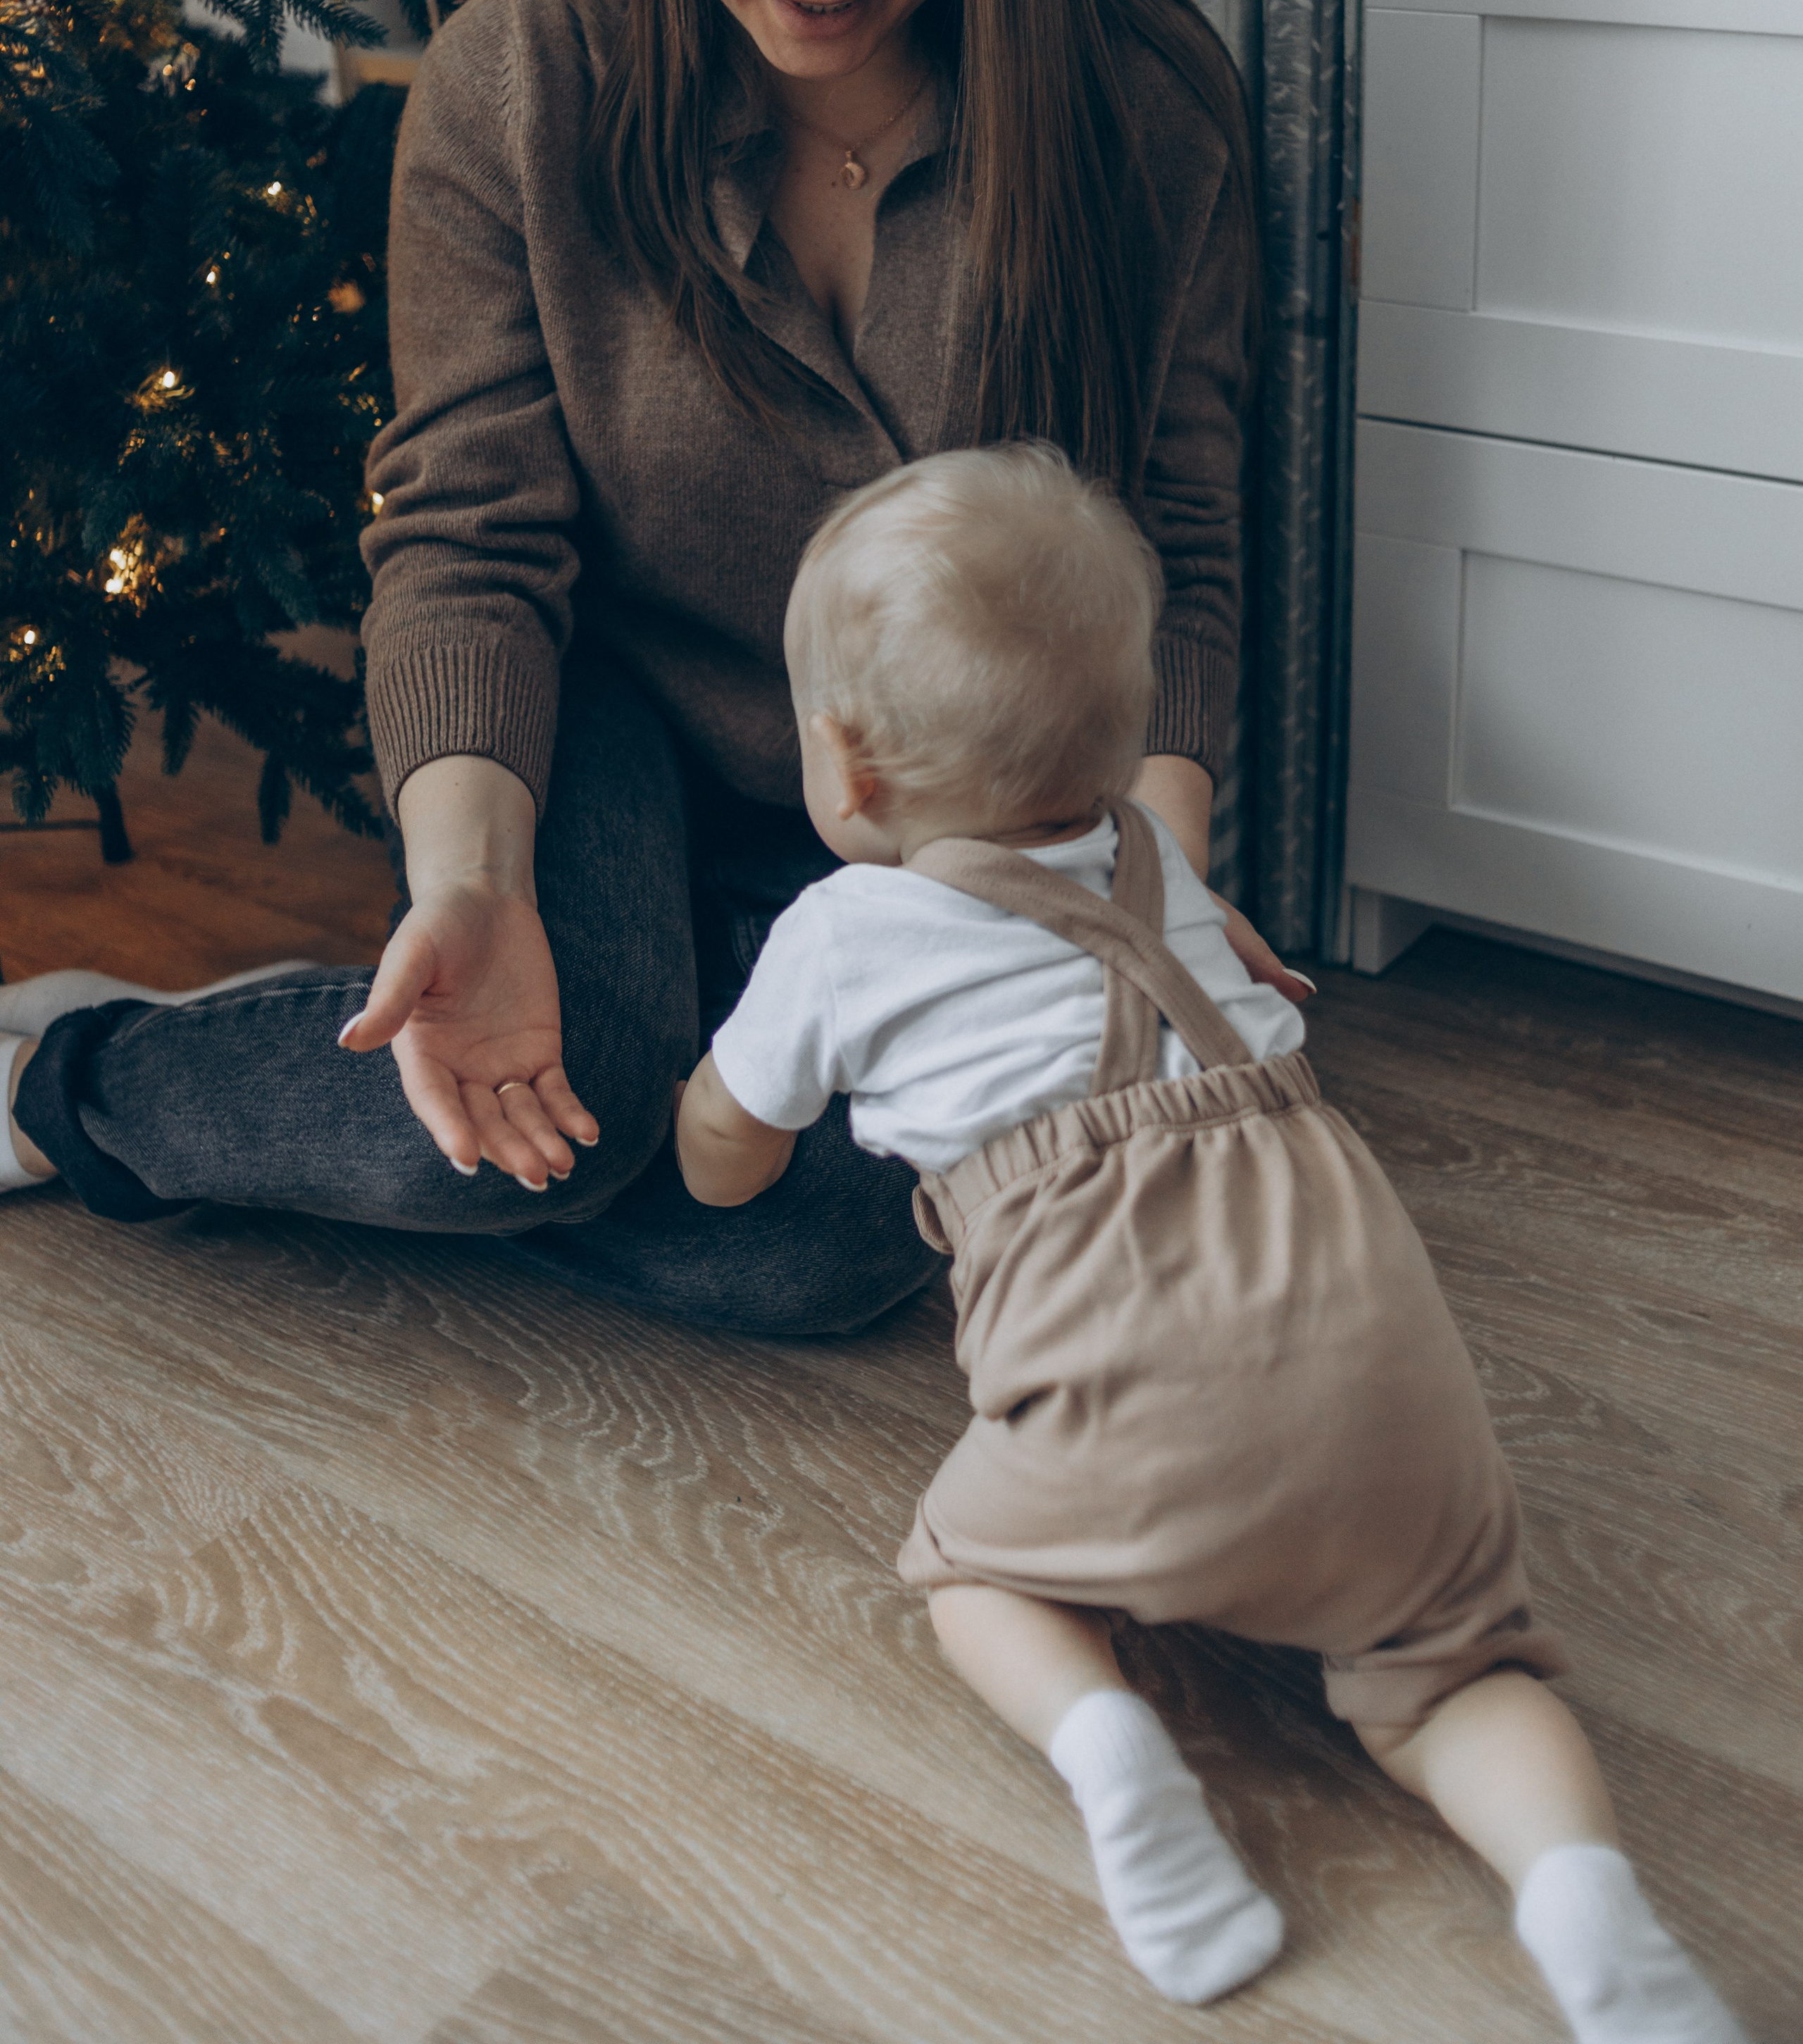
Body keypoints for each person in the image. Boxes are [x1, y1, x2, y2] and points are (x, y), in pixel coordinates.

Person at [1, 0, 1302, 1319]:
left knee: (823, 1250)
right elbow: (465, 540)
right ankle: (81, 1079)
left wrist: (1144, 892)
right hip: (593, 716)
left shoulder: (1149, 114)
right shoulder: (514, 88)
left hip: (941, 802)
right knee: (477, 1121)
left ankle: (603, 1023)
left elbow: (1176, 548)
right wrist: (469, 884)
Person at [674, 443, 1747, 2040]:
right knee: (1451, 1673)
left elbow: (723, 1150)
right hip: (1375, 1351)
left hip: (1131, 1405)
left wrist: (719, 1137)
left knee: (969, 1571)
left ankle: (1112, 1752)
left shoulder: (840, 937)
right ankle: (1581, 1897)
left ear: (844, 765)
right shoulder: (1157, 864)